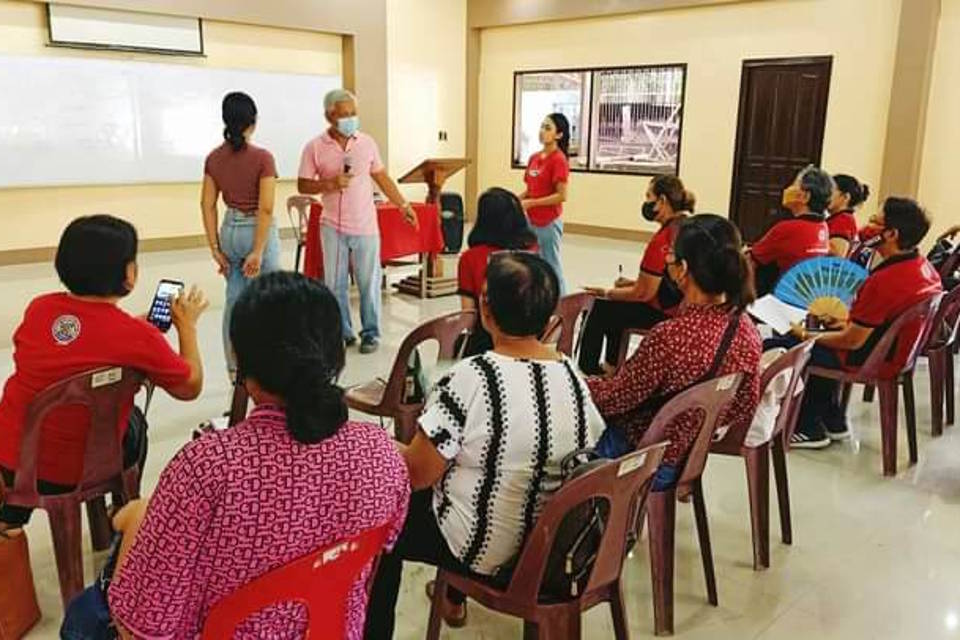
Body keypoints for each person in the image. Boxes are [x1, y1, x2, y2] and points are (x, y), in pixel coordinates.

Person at [97, 273, 410, 638]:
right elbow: (378, 552)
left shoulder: (206, 467)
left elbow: (144, 626)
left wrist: (137, 523)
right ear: (335, 356)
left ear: (244, 370)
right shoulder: (381, 453)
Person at [366, 252, 605, 638]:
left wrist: (382, 445)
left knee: (383, 519)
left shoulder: (469, 379)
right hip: (551, 546)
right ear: (548, 317)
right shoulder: (572, 374)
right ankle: (450, 598)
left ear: (485, 310)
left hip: (485, 550)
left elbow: (417, 475)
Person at [0, 215, 206, 530]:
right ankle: (121, 509)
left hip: (12, 459)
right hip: (73, 472)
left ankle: (13, 515)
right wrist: (187, 328)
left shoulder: (38, 308)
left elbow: (82, 339)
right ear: (128, 274)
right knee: (135, 422)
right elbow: (190, 387)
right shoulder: (135, 337)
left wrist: (136, 330)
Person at [587, 214, 762, 489]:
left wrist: (573, 382)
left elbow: (614, 400)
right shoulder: (746, 328)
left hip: (643, 457)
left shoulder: (670, 337)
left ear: (682, 269)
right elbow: (744, 405)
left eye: (671, 255)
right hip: (689, 454)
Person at [769, 197, 943, 448]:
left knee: (783, 344)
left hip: (869, 357)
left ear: (891, 234)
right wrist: (841, 322)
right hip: (894, 353)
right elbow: (874, 323)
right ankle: (833, 418)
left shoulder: (885, 280)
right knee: (820, 332)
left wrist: (805, 334)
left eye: (875, 221)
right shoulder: (923, 267)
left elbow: (852, 341)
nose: (868, 226)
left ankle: (808, 427)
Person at [298, 89, 418, 354]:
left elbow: (382, 177)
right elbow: (303, 184)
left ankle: (371, 333)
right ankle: (343, 333)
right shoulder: (314, 147)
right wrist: (329, 183)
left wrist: (403, 205)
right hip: (332, 226)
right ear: (330, 116)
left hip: (365, 225)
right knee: (335, 284)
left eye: (354, 113)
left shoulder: (367, 143)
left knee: (368, 282)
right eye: (345, 114)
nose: (351, 119)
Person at [580, 175, 694, 375]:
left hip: (667, 313)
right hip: (684, 305)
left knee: (600, 307)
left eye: (648, 196)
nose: (646, 202)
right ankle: (612, 366)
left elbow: (643, 294)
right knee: (617, 306)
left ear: (662, 201)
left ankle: (589, 373)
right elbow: (665, 280)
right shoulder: (687, 226)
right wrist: (630, 284)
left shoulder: (662, 240)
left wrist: (607, 292)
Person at [202, 92, 281, 377]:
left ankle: (235, 368)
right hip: (256, 232)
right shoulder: (263, 158)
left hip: (230, 232)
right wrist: (258, 250)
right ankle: (272, 366)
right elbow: (266, 207)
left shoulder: (213, 158)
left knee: (235, 301)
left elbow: (207, 204)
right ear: (253, 121)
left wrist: (215, 248)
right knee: (272, 300)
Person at [456, 187, 537, 355]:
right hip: (530, 335)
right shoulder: (532, 251)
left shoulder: (470, 258)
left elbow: (468, 313)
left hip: (487, 340)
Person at [749, 165, 832, 295]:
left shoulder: (787, 228)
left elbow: (751, 261)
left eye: (794, 185)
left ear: (805, 196)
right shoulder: (823, 226)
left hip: (782, 299)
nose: (788, 189)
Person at [519, 113, 571, 295]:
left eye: (548, 128)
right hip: (531, 220)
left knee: (551, 264)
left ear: (559, 135)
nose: (542, 131)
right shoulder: (534, 158)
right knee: (532, 263)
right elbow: (530, 189)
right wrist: (517, 200)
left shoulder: (559, 160)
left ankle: (562, 303)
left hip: (548, 222)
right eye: (542, 126)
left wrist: (532, 203)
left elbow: (561, 195)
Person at [826, 174, 871, 257]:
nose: (825, 195)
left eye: (830, 192)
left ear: (845, 197)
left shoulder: (843, 220)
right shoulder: (839, 218)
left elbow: (837, 254)